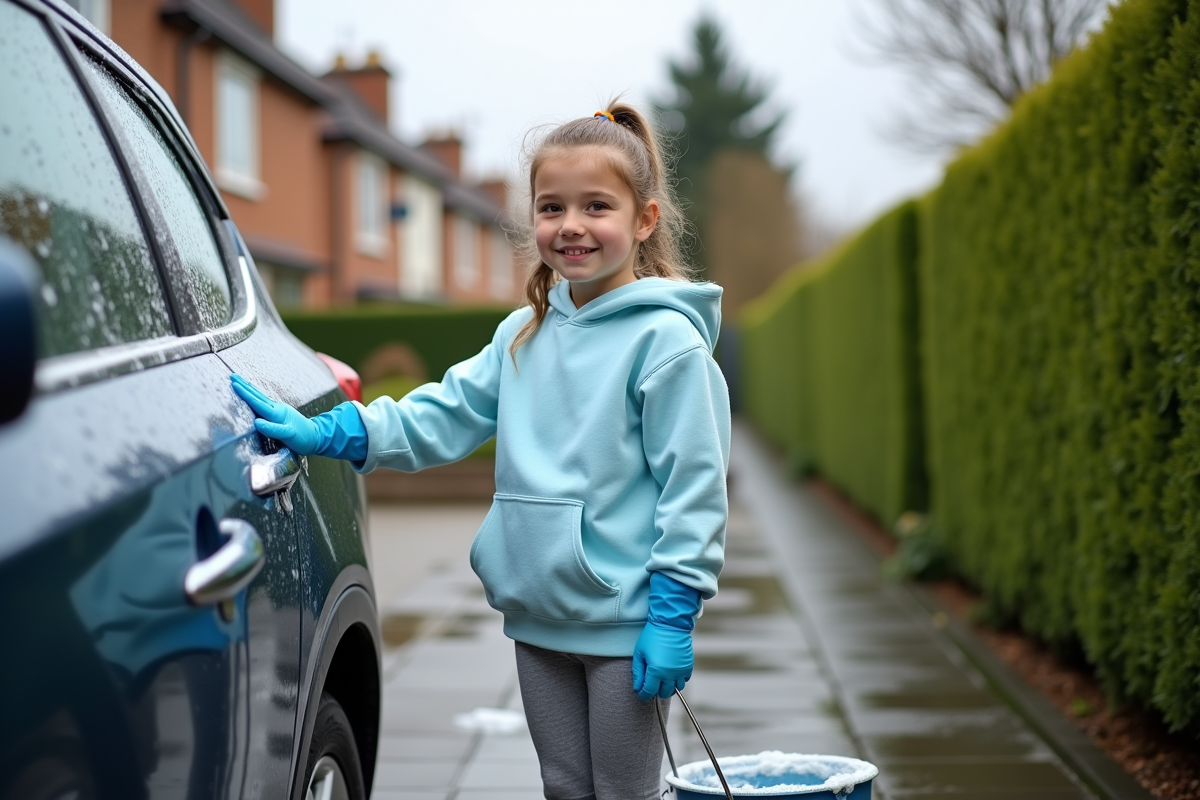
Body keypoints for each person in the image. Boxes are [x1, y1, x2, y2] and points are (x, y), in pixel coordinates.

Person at [230, 102, 731, 800]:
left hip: (628, 622)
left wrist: (674, 613)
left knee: (622, 792)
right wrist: (337, 431)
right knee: (562, 785)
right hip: (536, 613)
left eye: (597, 205)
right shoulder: (521, 336)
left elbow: (694, 488)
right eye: (551, 207)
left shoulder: (666, 345)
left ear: (644, 220)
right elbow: (442, 413)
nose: (572, 225)